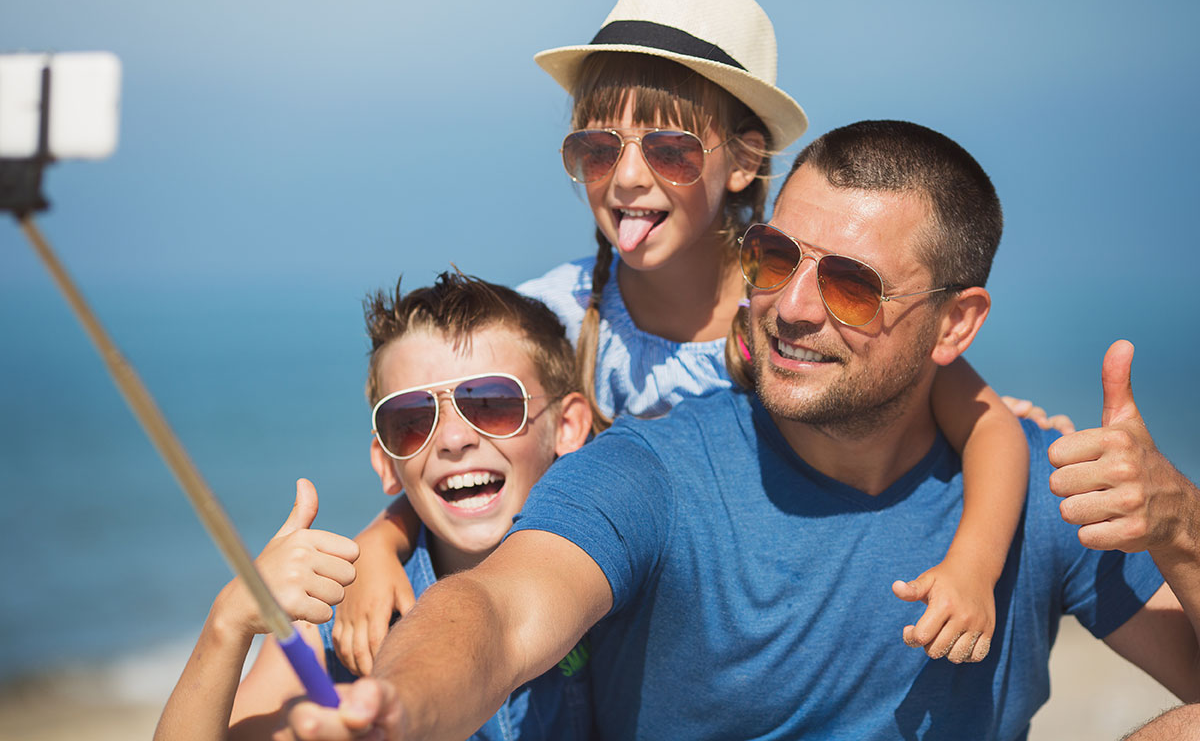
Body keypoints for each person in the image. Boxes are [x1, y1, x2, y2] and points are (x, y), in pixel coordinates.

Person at [287, 121, 1200, 740]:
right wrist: (398, 705)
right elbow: (496, 609)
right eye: (772, 259)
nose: (792, 309)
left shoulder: (1044, 485)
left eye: (848, 285)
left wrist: (1183, 528)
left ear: (957, 327)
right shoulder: (655, 471)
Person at [334, 0, 1032, 678]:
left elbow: (988, 425)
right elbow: (457, 447)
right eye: (598, 149)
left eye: (670, 149)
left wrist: (973, 567)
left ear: (746, 158)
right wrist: (383, 541)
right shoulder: (553, 315)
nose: (629, 176)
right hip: (578, 654)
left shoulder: (789, 315)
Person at [155, 271, 593, 740]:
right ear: (386, 462)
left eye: (489, 402)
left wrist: (385, 531)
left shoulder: (613, 556)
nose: (453, 438)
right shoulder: (342, 620)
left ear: (567, 426)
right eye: (412, 419)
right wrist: (229, 621)